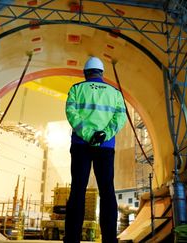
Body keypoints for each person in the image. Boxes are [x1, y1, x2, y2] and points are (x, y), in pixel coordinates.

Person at [64, 56, 127, 243]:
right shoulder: (114, 93)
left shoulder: (76, 89)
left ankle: (72, 239)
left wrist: (87, 133)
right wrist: (103, 135)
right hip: (105, 147)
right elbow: (120, 118)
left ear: (85, 73)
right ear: (102, 73)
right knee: (107, 191)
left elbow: (71, 113)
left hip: (81, 145)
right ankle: (109, 239)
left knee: (77, 190)